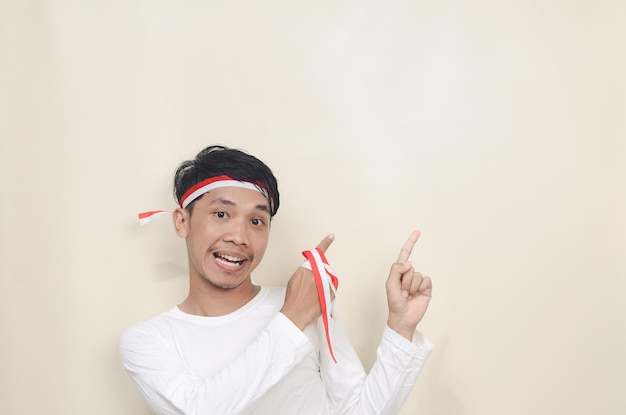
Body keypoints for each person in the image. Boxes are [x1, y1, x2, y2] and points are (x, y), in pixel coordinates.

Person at [120, 145, 433, 415]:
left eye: (257, 221)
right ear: (182, 221)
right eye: (221, 214)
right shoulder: (149, 341)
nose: (240, 236)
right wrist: (292, 318)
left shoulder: (304, 302)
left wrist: (400, 329)